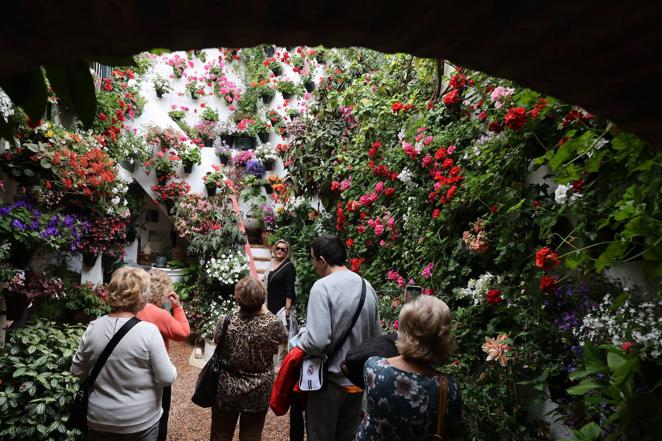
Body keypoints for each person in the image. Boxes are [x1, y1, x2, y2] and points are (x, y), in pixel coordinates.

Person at [71, 267, 177, 441]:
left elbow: (77, 370)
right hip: (140, 420)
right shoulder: (148, 331)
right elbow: (165, 378)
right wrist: (173, 368)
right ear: (142, 296)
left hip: (99, 419)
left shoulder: (94, 327)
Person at [296, 235, 382, 441]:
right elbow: (377, 338)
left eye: (313, 259)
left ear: (322, 261)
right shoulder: (366, 286)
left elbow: (317, 341)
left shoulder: (322, 287)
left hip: (329, 382)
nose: (313, 264)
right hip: (357, 382)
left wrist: (300, 338)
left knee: (321, 435)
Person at [356, 296, 462, 440]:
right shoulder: (448, 388)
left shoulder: (374, 368)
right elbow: (452, 431)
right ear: (443, 339)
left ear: (403, 329)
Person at [210, 276, 288, 441]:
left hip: (227, 387)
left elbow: (216, 340)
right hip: (258, 389)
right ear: (262, 298)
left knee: (220, 434)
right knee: (252, 435)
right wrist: (265, 310)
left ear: (238, 299)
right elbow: (284, 339)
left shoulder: (226, 321)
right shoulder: (273, 324)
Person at [136, 268, 191, 441]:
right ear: (164, 291)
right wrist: (178, 307)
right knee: (161, 412)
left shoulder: (134, 307)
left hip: (134, 366)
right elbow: (183, 332)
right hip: (156, 369)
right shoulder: (159, 314)